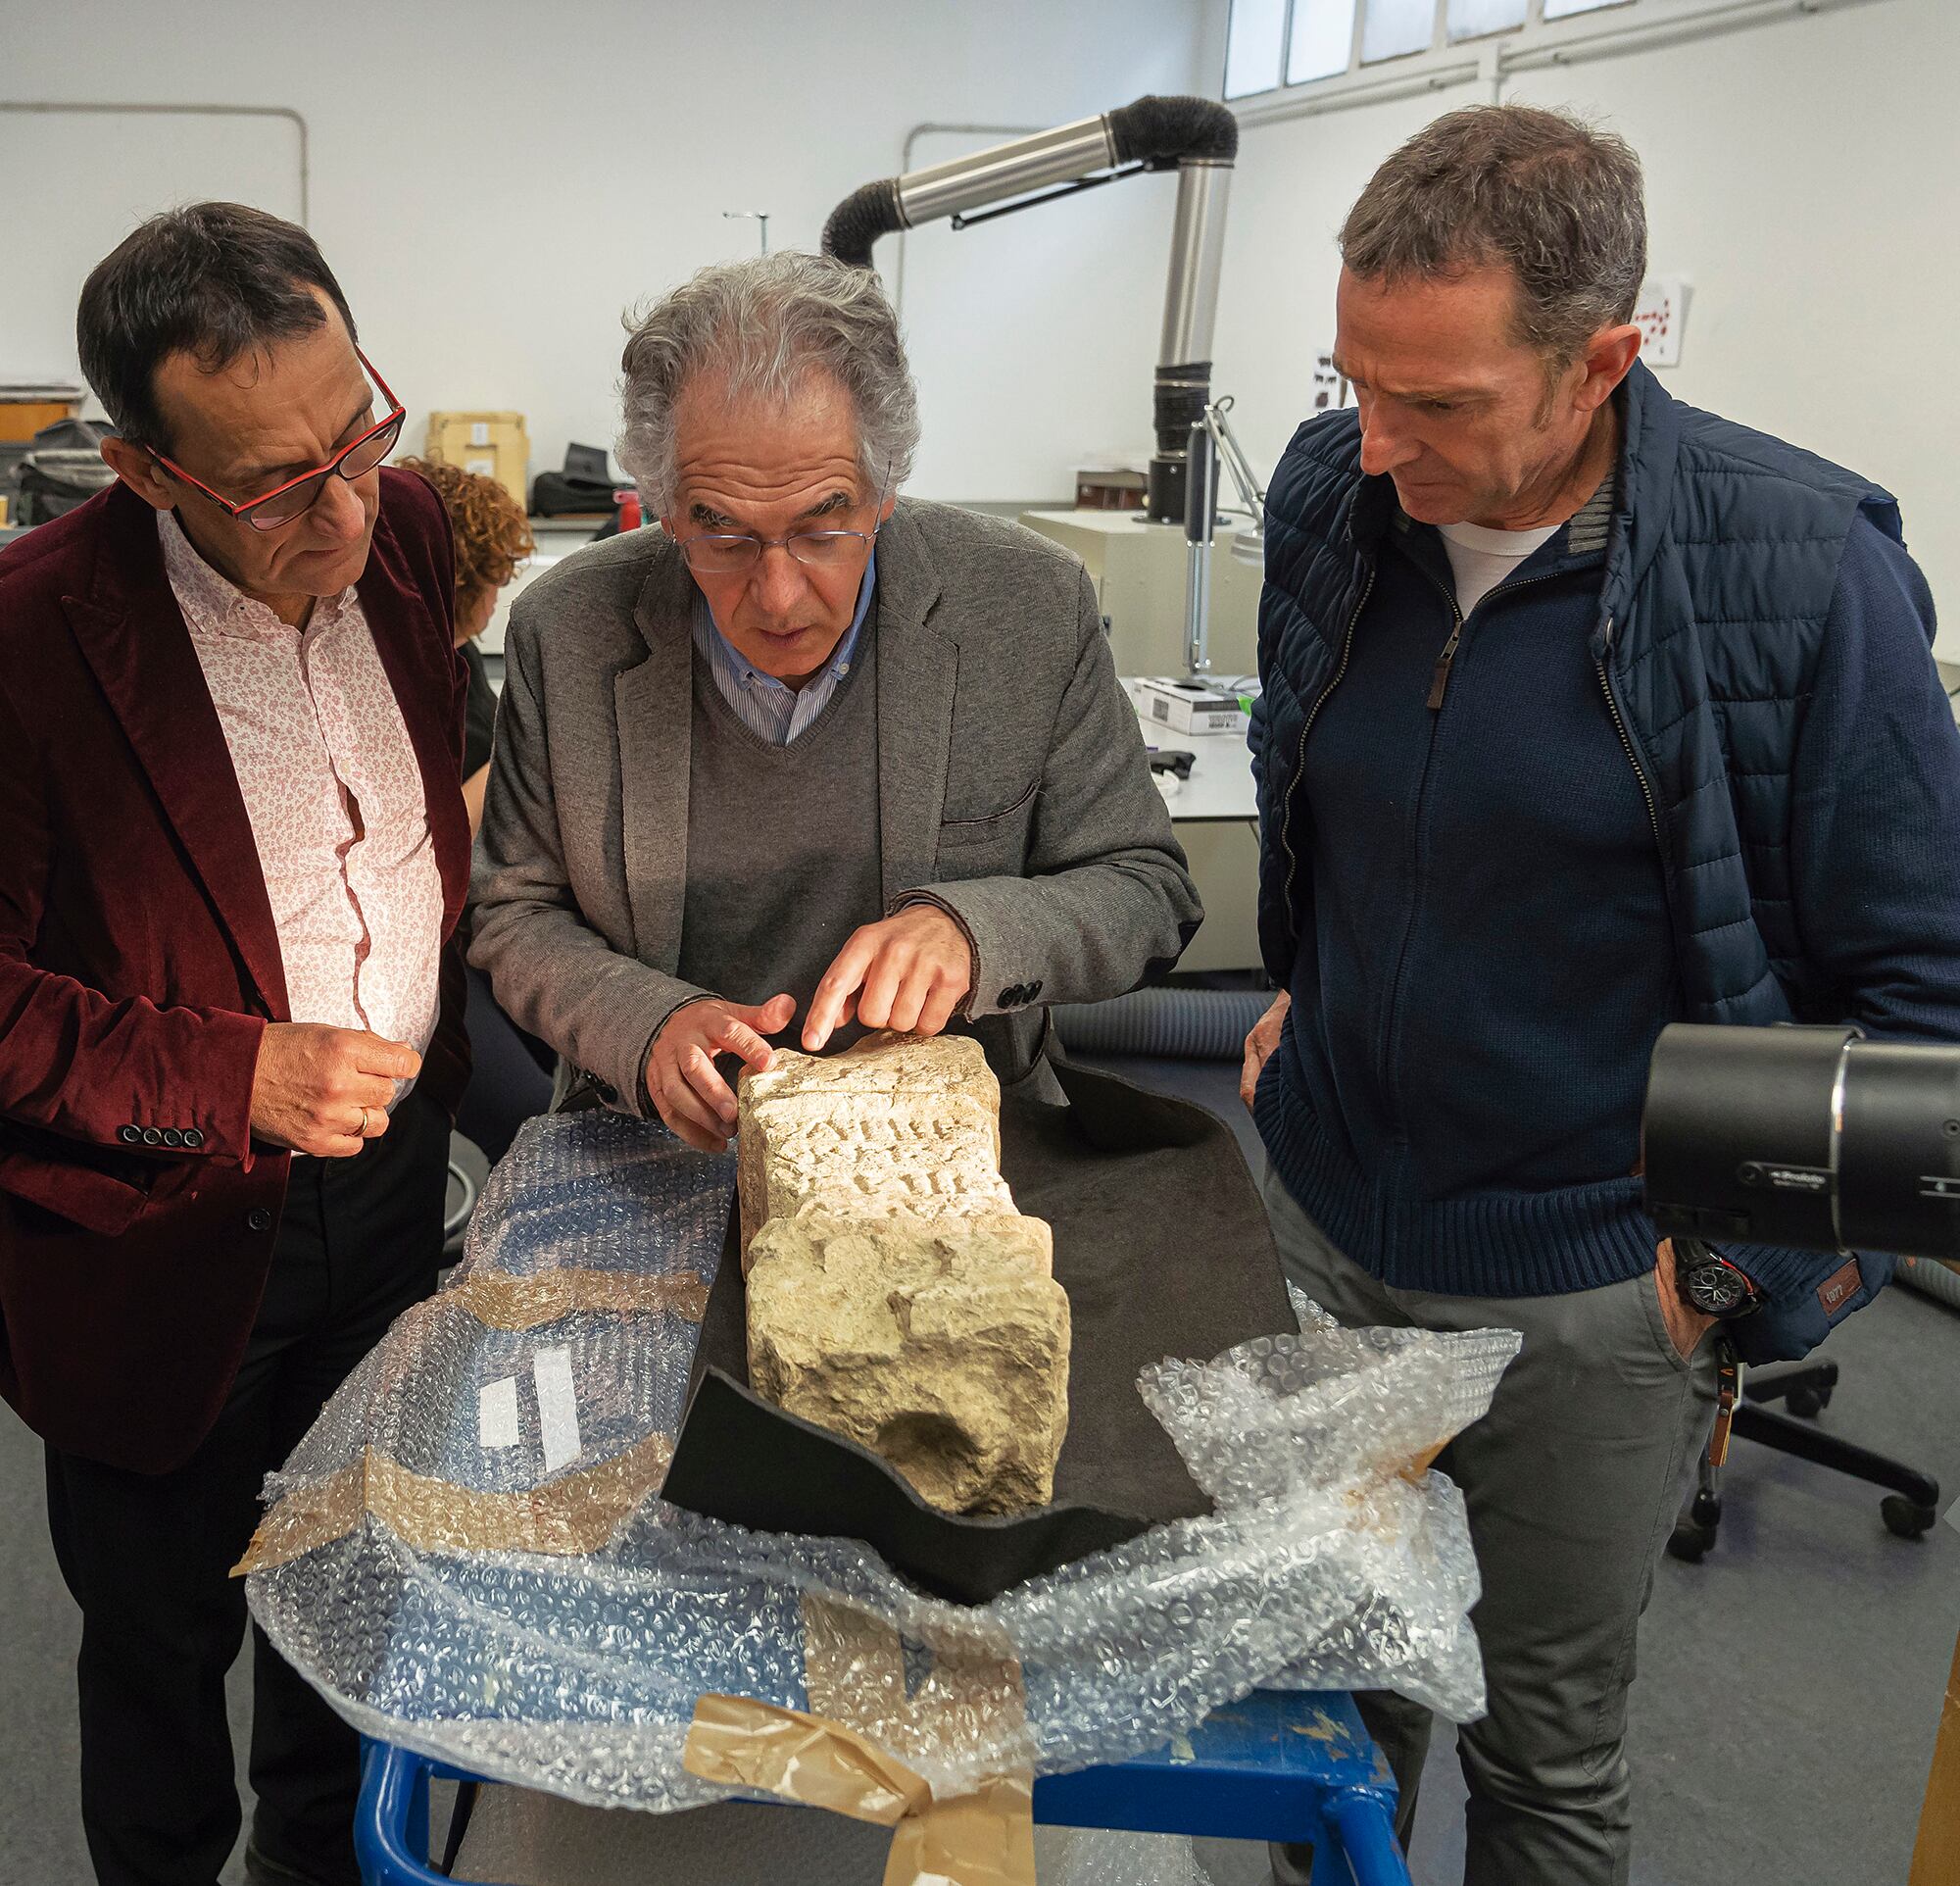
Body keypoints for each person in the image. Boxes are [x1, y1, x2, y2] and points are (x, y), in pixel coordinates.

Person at [1242, 106, 1960, 1885]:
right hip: (1333, 1224)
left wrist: (1736, 1272)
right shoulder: (1332, 497)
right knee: (1321, 1709)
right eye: (1355, 383)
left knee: (1540, 1751)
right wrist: (1307, 982)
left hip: (1592, 1284)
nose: (1382, 447)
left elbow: (1926, 1004)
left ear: (1605, 361)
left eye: (1445, 404)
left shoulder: (1802, 571)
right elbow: (1336, 784)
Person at [0, 202, 471, 1886]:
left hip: (395, 1192)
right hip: (170, 1231)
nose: (344, 504)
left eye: (358, 433)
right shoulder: (30, 639)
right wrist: (237, 1073)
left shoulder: (405, 532)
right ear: (142, 469)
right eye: (279, 482)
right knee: (162, 1640)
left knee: (351, 1597)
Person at [468, 250, 1200, 1144]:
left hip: (954, 1140)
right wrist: (645, 1023)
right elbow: (513, 910)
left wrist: (974, 931)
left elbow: (1146, 890)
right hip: (658, 1135)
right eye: (723, 533)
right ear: (662, 506)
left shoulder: (1026, 605)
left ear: (886, 487)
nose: (778, 596)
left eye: (823, 527)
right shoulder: (569, 630)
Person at [394, 455, 556, 1161]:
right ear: (461, 584)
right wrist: (527, 753)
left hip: (487, 914)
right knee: (528, 1116)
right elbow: (424, 851)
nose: (498, 600)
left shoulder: (457, 657)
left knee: (571, 1067)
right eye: (494, 581)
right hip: (428, 947)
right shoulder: (398, 675)